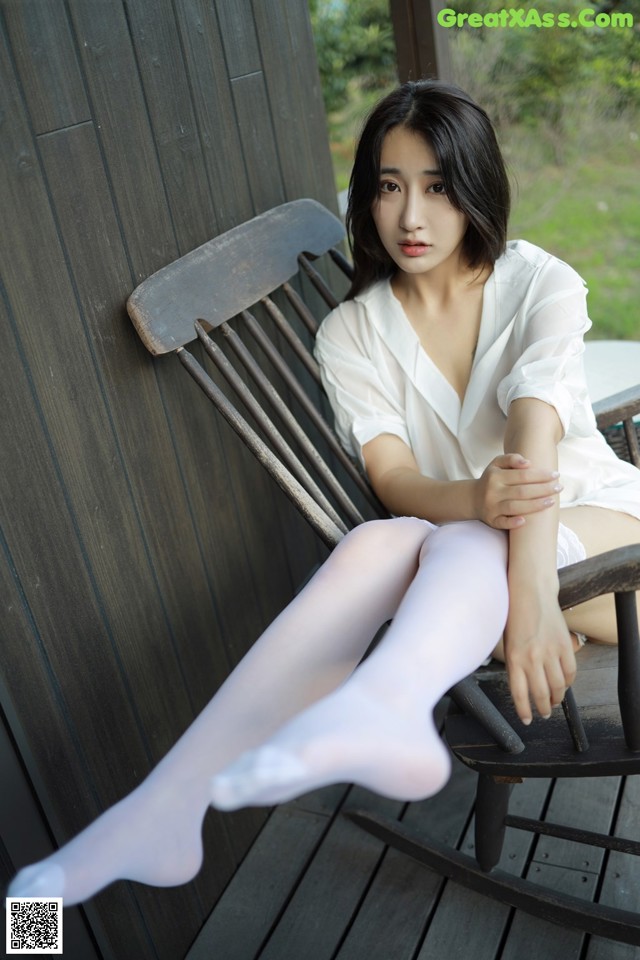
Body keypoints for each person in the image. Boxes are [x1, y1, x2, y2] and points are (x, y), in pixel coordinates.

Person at [8, 80, 640, 907]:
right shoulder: (352, 331)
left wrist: (527, 591)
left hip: (608, 546)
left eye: (438, 187)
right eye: (388, 185)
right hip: (469, 571)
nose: (411, 217)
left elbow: (534, 441)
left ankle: (379, 706)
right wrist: (474, 503)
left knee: (455, 537)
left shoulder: (535, 281)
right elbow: (393, 482)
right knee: (383, 538)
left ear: (476, 188)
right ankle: (157, 816)